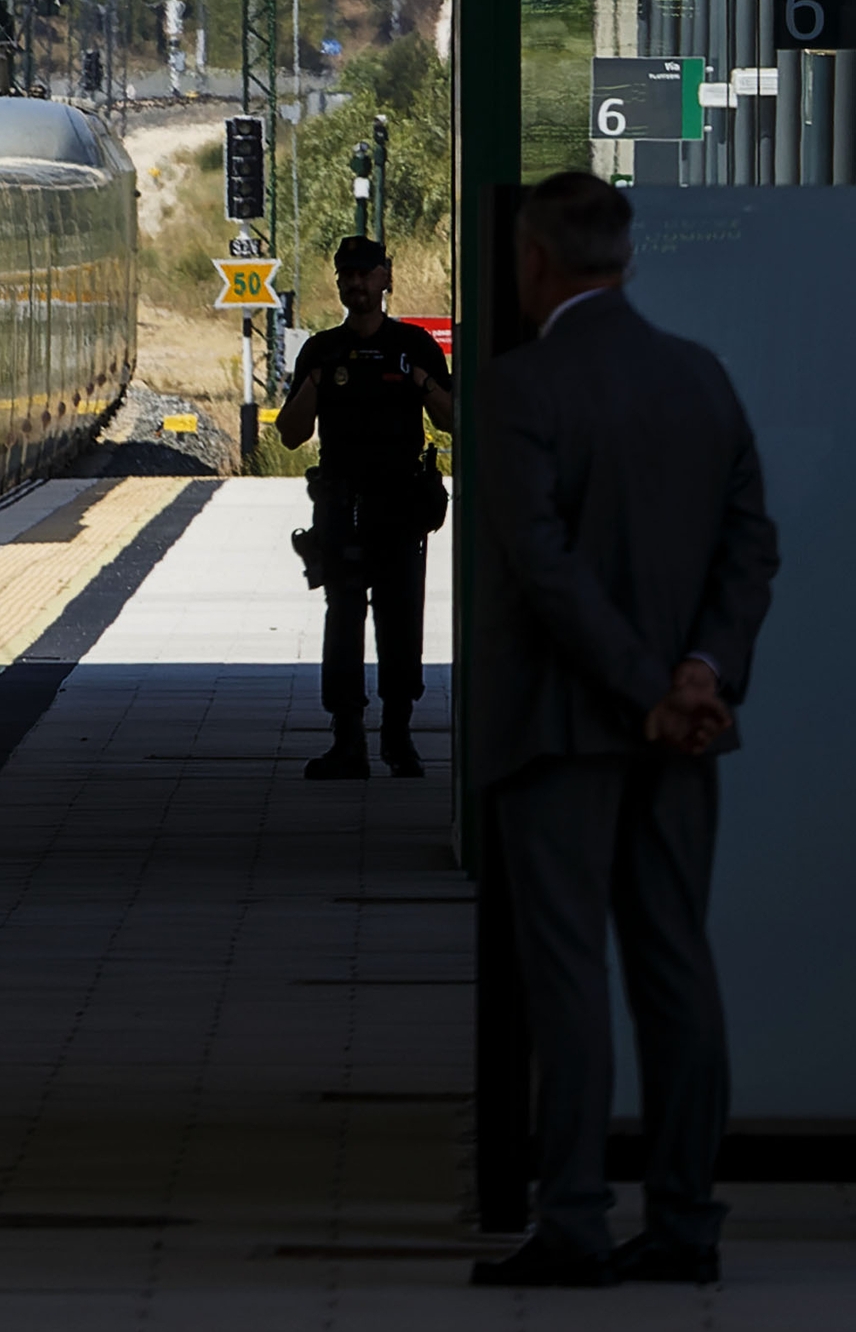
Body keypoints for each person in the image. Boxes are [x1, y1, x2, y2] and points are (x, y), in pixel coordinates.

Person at [469, 171, 778, 1290]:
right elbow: (752, 546)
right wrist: (701, 674)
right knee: (676, 970)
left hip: (561, 733)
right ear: (629, 259)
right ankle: (688, 1221)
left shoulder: (515, 391)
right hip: (680, 737)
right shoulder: (700, 380)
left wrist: (647, 682)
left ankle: (577, 1223)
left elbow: (543, 571)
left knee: (568, 978)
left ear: (535, 264)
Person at [275, 235, 454, 779]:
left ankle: (398, 736)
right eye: (346, 274)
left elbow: (453, 420)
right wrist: (313, 385)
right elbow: (289, 433)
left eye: (365, 273)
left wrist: (423, 382)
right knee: (344, 619)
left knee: (402, 621)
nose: (356, 283)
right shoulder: (323, 351)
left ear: (386, 277)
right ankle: (347, 738)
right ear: (339, 284)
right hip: (342, 505)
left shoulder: (415, 346)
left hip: (401, 504)